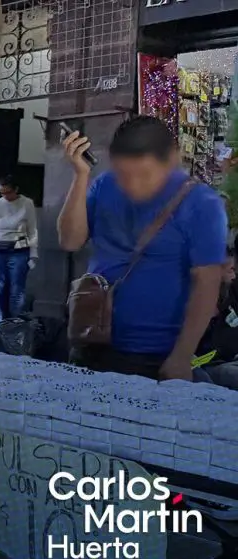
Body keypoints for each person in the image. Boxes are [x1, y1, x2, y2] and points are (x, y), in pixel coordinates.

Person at [57, 116, 228, 381]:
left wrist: (182, 355)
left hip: (154, 354)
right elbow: (69, 241)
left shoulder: (202, 204)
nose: (134, 185)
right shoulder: (104, 185)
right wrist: (81, 176)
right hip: (90, 339)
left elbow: (207, 283)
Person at [0, 175, 38, 322]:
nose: (5, 196)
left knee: (16, 290)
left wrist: (34, 254)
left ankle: (15, 324)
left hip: (19, 250)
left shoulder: (27, 204)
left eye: (8, 192)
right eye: (2, 193)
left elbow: (32, 230)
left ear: (16, 189)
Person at [198, 252, 238, 388]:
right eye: (230, 270)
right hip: (212, 365)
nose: (233, 274)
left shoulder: (231, 294)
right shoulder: (194, 300)